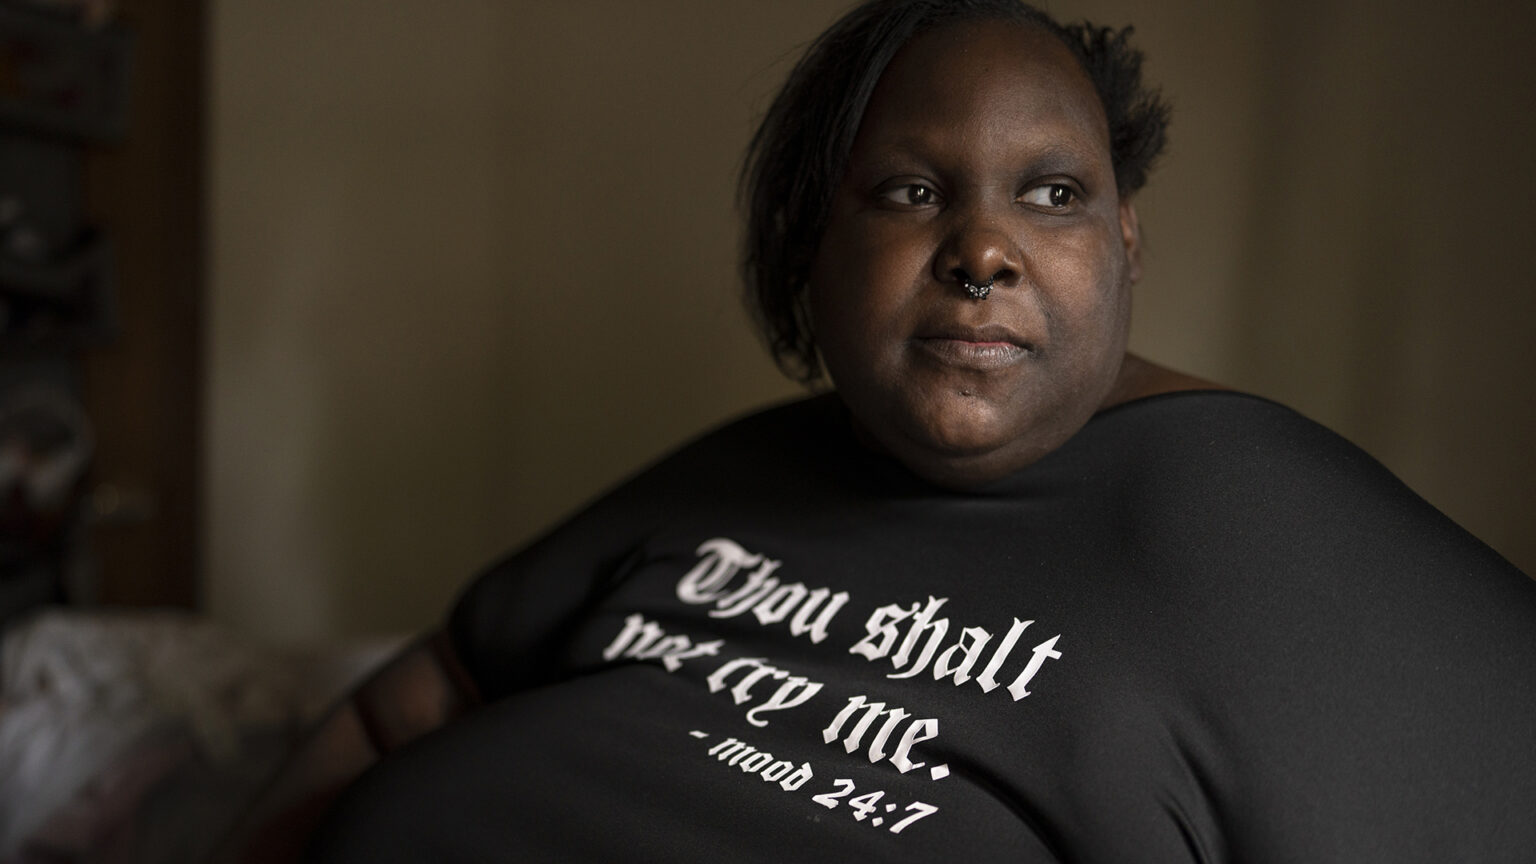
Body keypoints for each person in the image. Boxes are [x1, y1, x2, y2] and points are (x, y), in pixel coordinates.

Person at [221, 1, 1536, 861]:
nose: (981, 250)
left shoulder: (1274, 535)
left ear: (1124, 245)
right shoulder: (751, 468)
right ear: (813, 255)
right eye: (912, 191)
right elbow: (416, 703)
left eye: (1054, 193)